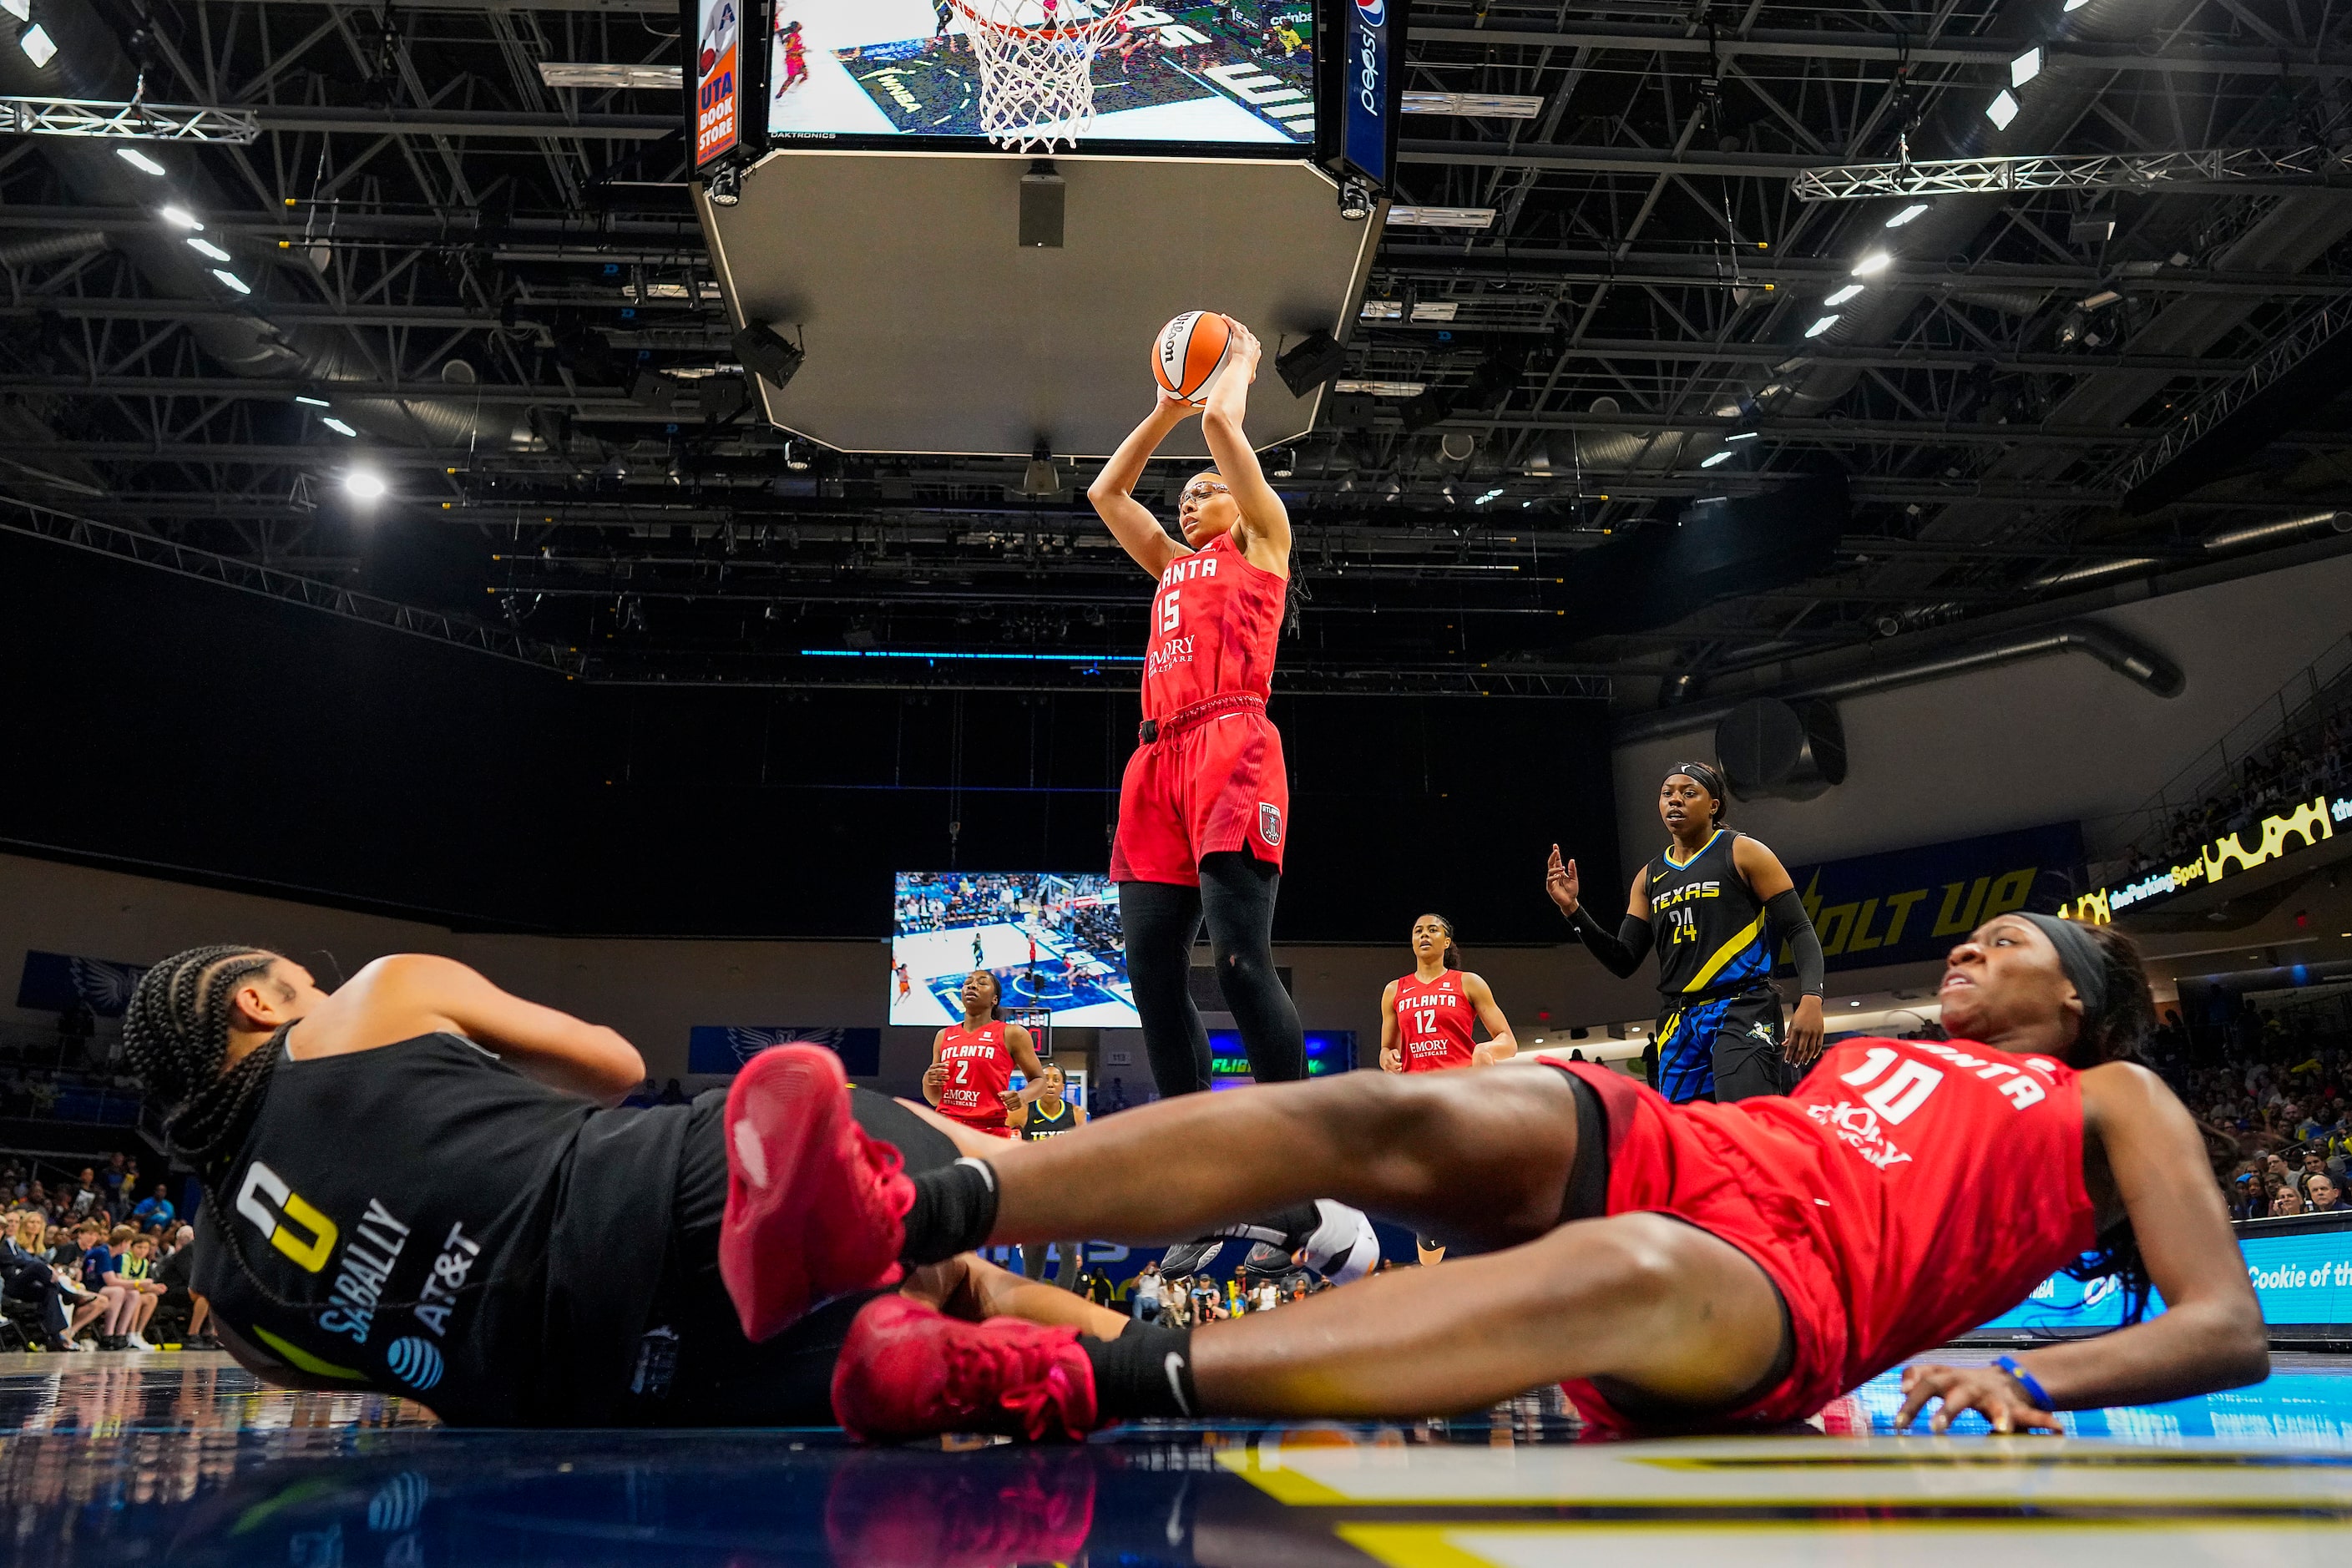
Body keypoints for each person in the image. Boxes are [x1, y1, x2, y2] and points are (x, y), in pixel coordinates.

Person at [827, 914, 2270, 1443]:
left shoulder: (2108, 1093)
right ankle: (912, 1207)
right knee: (1388, 1108)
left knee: (1617, 1264)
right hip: (1693, 1145)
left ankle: (1066, 1381)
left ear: (2075, 1000)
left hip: (1786, 1292)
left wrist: (2044, 1378)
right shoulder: (1880, 1054)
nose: (1971, 945)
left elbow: (2224, 1321)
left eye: (2010, 940)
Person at [118, 945, 1129, 1425]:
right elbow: (613, 1065)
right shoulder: (370, 1006)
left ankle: (1110, 1365)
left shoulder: (234, 1307)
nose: (324, 994)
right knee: (998, 1226)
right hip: (685, 1196)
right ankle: (1182, 1357)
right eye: (305, 981)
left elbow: (411, 1394)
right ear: (258, 1002)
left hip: (668, 1391)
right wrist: (456, 1081)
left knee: (949, 1316)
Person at [1087, 319, 1306, 1098]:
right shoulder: (1172, 567)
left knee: (1242, 962)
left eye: (1206, 489)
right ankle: (1196, 1154)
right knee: (1148, 972)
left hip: (1231, 743)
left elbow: (1221, 423)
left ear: (1241, 504)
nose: (1188, 501)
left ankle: (1294, 1147)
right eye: (1181, 495)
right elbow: (1105, 493)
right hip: (1156, 760)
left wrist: (1238, 363)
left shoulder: (1262, 543)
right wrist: (1160, 411)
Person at [1545, 762, 1828, 1103]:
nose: (1674, 801)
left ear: (1714, 805)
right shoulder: (1648, 877)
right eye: (1667, 794)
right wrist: (1572, 910)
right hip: (1679, 1021)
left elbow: (1798, 927)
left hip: (1742, 1008)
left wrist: (1812, 997)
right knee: (1686, 1141)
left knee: (1743, 1129)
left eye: (1688, 793)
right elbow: (1623, 959)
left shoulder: (1743, 852)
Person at [1379, 913, 1517, 1263]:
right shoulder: (1395, 990)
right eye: (1417, 931)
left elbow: (1508, 1041)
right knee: (1429, 1226)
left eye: (1432, 930)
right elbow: (1387, 1048)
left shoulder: (1468, 983)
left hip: (1461, 1094)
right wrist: (1387, 1057)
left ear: (1446, 942)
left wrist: (1486, 1049)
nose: (1424, 935)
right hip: (1417, 1099)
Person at [919, 970, 1044, 1140]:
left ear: (995, 999)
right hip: (947, 1129)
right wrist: (928, 1080)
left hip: (989, 1130)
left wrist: (1022, 1096)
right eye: (968, 983)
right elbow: (935, 1099)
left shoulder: (1012, 1033)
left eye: (982, 983)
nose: (972, 985)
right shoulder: (944, 1035)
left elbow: (1040, 1081)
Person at [1009, 1064, 1089, 1290]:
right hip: (1033, 1193)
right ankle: (1034, 1307)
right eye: (1045, 1079)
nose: (1051, 1083)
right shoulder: (1022, 1112)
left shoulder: (1077, 1114)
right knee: (1033, 1262)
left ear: (1063, 1086)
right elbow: (995, 1132)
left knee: (1069, 1249)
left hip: (1065, 1193)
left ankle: (1063, 1302)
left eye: (1056, 1079)